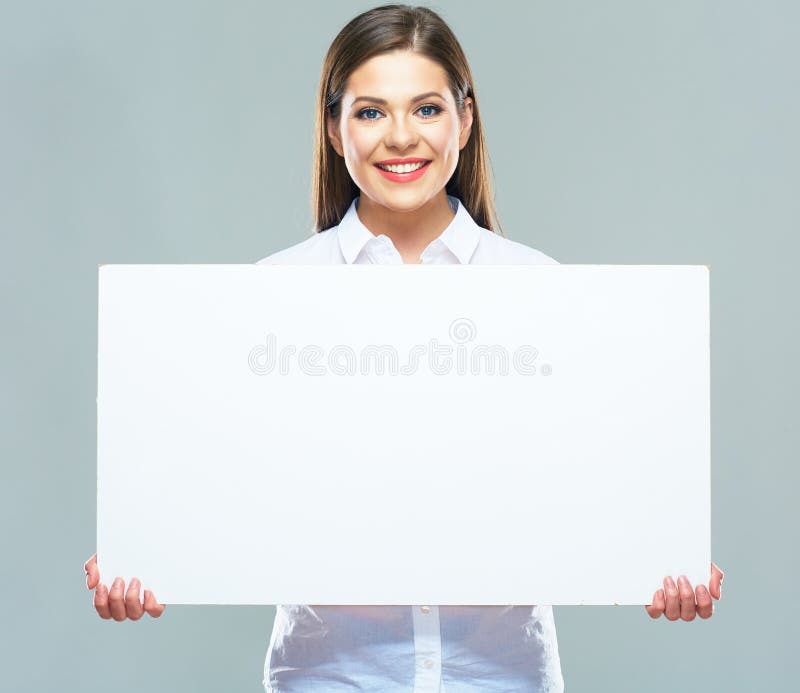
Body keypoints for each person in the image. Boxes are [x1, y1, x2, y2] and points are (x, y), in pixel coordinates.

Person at [84, 4, 725, 692]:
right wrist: (144, 556)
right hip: (329, 677)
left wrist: (662, 561)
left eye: (425, 109)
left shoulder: (538, 290)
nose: (399, 137)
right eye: (369, 112)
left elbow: (598, 483)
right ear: (333, 128)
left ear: (465, 119)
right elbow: (212, 485)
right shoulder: (274, 294)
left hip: (504, 676)